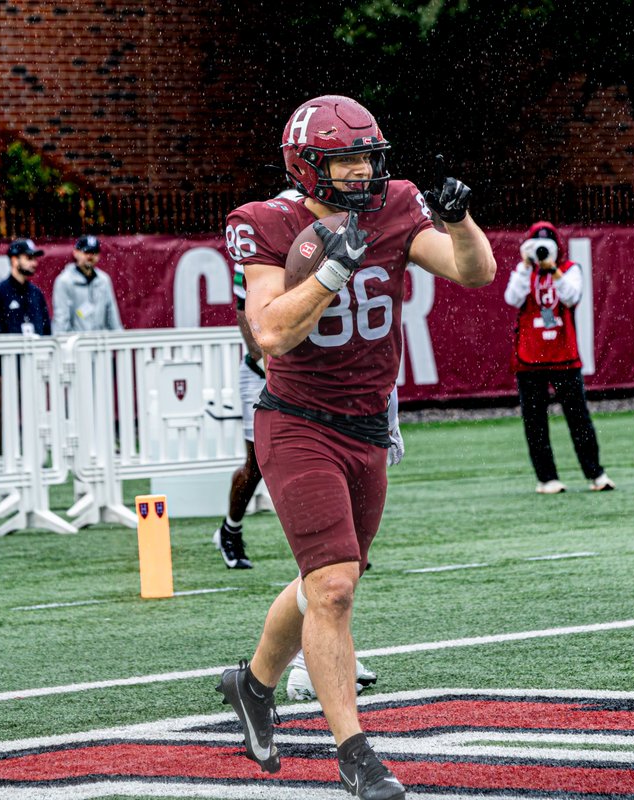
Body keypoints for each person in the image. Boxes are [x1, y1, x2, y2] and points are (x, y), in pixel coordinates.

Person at [216, 95, 495, 800]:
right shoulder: (264, 223)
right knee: (334, 585)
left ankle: (251, 686)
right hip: (298, 421)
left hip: (368, 423)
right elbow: (272, 332)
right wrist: (332, 273)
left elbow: (474, 272)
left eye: (368, 157)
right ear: (306, 167)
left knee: (331, 580)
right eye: (344, 159)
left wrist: (461, 223)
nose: (361, 172)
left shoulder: (395, 206)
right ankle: (356, 753)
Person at [212, 189, 404, 572]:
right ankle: (231, 528)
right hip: (269, 373)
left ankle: (342, 546)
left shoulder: (343, 238)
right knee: (254, 466)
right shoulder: (267, 242)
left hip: (323, 378)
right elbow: (251, 319)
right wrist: (268, 363)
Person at [503, 221, 614, 494]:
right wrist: (526, 266)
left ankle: (595, 473)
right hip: (529, 357)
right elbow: (512, 298)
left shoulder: (569, 269)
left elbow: (572, 296)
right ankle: (547, 478)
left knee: (578, 417)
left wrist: (552, 270)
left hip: (563, 355)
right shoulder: (524, 271)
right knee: (535, 420)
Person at [0, 238, 51, 431]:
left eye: (34, 258)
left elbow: (46, 331)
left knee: (37, 423)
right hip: (4, 373)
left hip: (33, 370)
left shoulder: (36, 294)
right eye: (28, 257)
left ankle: (38, 459)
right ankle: (1, 459)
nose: (33, 262)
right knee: (2, 425)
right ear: (14, 260)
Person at [52, 234, 123, 334]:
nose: (90, 256)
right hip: (76, 345)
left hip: (101, 345)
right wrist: (63, 344)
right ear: (75, 253)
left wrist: (118, 337)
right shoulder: (64, 281)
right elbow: (61, 319)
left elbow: (112, 314)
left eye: (94, 252)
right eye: (86, 252)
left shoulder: (104, 280)